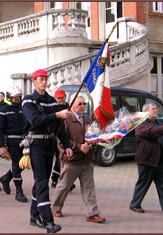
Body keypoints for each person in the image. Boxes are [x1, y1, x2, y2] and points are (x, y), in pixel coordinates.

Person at [22, 69, 73, 233]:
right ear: (34, 81)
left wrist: (67, 146)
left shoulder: (51, 101)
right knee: (42, 182)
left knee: (41, 183)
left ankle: (34, 215)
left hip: (49, 145)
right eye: (40, 79)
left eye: (45, 79)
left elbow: (60, 128)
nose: (44, 82)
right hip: (35, 144)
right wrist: (57, 114)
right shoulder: (28, 101)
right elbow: (35, 121)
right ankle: (48, 221)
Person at [51, 96, 106, 223]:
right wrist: (78, 146)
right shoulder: (66, 119)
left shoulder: (87, 119)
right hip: (72, 160)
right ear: (72, 105)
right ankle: (56, 207)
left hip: (86, 160)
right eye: (79, 103)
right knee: (64, 186)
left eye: (84, 104)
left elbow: (94, 136)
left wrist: (94, 142)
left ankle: (92, 213)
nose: (82, 106)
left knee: (89, 187)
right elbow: (61, 141)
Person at [129, 102, 163, 217]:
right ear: (146, 111)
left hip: (160, 161)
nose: (156, 110)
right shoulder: (141, 124)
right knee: (143, 183)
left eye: (156, 109)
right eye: (153, 109)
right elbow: (151, 132)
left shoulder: (157, 122)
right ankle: (135, 204)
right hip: (147, 160)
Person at [0, 86, 28, 202]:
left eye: (18, 97)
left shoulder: (24, 108)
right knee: (17, 163)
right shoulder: (3, 110)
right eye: (14, 97)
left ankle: (6, 178)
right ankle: (19, 191)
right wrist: (2, 146)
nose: (17, 99)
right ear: (10, 97)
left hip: (24, 141)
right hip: (11, 141)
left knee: (24, 164)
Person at [51, 89, 75, 191]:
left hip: (66, 136)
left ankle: (57, 180)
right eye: (58, 98)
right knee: (60, 159)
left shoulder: (69, 107)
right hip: (57, 137)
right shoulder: (54, 108)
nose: (60, 99)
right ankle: (58, 180)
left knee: (62, 159)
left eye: (62, 97)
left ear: (65, 96)